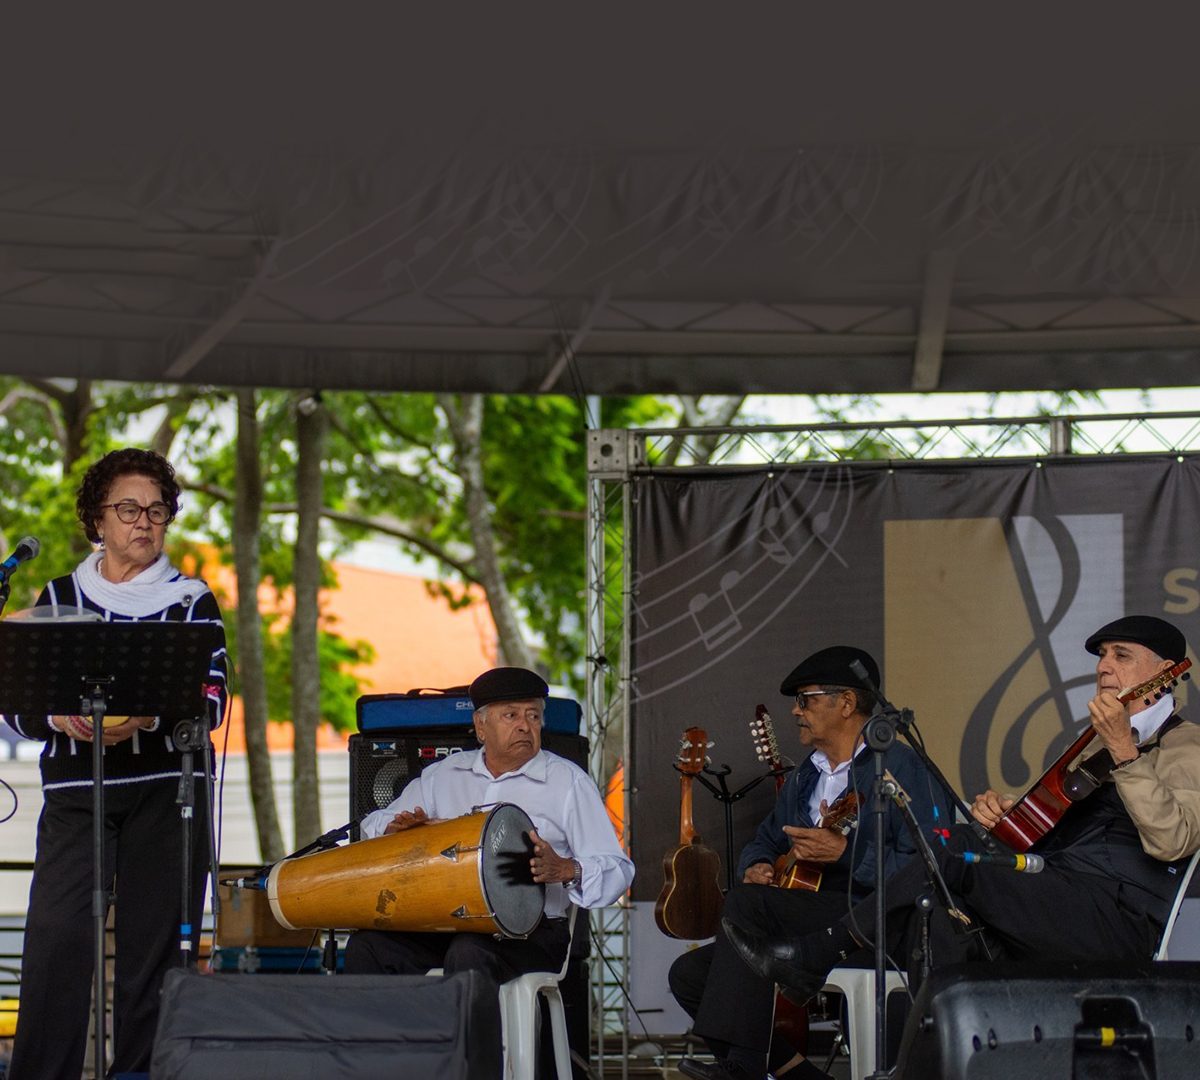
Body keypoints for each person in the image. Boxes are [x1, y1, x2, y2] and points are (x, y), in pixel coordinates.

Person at [724, 615, 1200, 1016]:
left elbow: (1172, 840)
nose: (1103, 667)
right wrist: (1009, 817)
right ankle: (929, 1062)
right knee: (937, 916)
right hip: (1056, 900)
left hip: (1115, 921)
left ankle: (819, 952)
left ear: (1164, 673)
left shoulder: (1188, 746)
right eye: (1101, 656)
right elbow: (1060, 834)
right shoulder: (1094, 744)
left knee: (953, 847)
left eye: (1120, 655)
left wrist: (1122, 748)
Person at [3, 447, 229, 1080]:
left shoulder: (191, 602)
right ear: (96, 519)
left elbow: (211, 698)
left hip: (168, 797)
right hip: (78, 795)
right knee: (55, 944)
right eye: (128, 508)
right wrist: (59, 719)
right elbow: (19, 703)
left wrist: (146, 716)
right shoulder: (58, 596)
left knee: (152, 962)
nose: (144, 522)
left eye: (157, 510)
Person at [671, 646, 953, 1080]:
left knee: (747, 906)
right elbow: (765, 839)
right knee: (689, 974)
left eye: (806, 699)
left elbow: (931, 865)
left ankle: (743, 1069)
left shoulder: (900, 765)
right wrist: (759, 863)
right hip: (810, 916)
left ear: (846, 703)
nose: (796, 712)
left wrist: (845, 854)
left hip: (875, 921)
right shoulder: (807, 775)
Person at [346, 666, 634, 996]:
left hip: (531, 933)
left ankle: (472, 1049)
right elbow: (372, 825)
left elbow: (619, 870)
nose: (525, 726)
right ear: (481, 726)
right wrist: (397, 830)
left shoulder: (567, 782)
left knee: (469, 952)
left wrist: (568, 869)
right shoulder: (445, 775)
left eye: (534, 716)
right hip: (446, 923)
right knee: (367, 948)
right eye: (511, 715)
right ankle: (388, 1046)